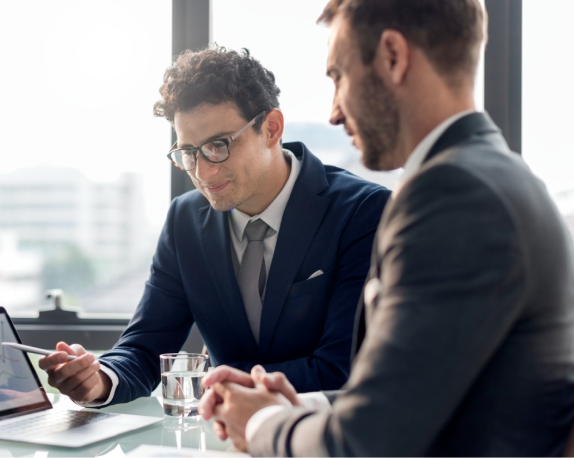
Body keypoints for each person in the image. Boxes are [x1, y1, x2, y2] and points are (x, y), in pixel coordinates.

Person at [198, 0, 574, 457]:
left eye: (338, 76)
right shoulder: (490, 177)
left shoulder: (454, 196)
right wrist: (300, 405)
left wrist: (261, 424)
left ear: (393, 57)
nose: (334, 112)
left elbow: (368, 443)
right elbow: (414, 396)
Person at [37, 47, 390, 407]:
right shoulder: (184, 220)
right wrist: (98, 379)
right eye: (188, 152)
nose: (204, 173)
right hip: (222, 439)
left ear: (271, 128)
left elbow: (342, 369)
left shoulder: (363, 213)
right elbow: (144, 347)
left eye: (218, 146)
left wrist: (219, 385)